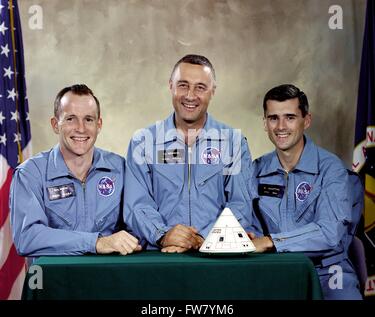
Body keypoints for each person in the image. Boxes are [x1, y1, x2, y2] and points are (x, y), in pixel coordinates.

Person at [124, 54, 254, 252]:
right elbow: (136, 204)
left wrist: (204, 239)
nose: (190, 95)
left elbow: (241, 205)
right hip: (161, 256)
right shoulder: (143, 142)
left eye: (200, 87)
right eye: (183, 85)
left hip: (216, 256)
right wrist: (164, 235)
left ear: (212, 92)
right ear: (171, 86)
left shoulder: (233, 143)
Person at [250, 84, 362, 299]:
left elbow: (330, 233)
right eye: (273, 118)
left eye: (290, 117)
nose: (281, 126)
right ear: (265, 123)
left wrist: (272, 241)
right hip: (276, 270)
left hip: (327, 272)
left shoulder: (331, 169)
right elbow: (248, 225)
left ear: (306, 120)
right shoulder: (255, 171)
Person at [10, 84, 141, 256]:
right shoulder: (30, 174)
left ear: (99, 125)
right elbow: (27, 237)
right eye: (71, 119)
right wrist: (96, 243)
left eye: (88, 119)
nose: (81, 128)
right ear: (56, 124)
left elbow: (139, 224)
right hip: (56, 280)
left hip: (111, 277)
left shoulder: (121, 169)